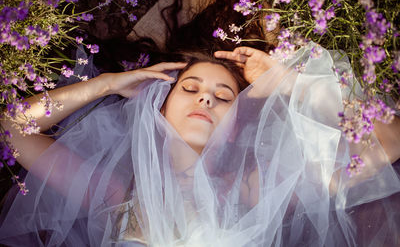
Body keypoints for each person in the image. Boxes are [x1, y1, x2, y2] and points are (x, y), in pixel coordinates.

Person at [0, 40, 400, 246]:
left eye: (225, 97)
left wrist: (290, 84)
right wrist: (107, 85)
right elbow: (10, 128)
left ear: (238, 123)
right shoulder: (117, 195)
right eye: (190, 88)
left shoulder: (257, 191)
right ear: (159, 106)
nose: (206, 99)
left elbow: (391, 140)